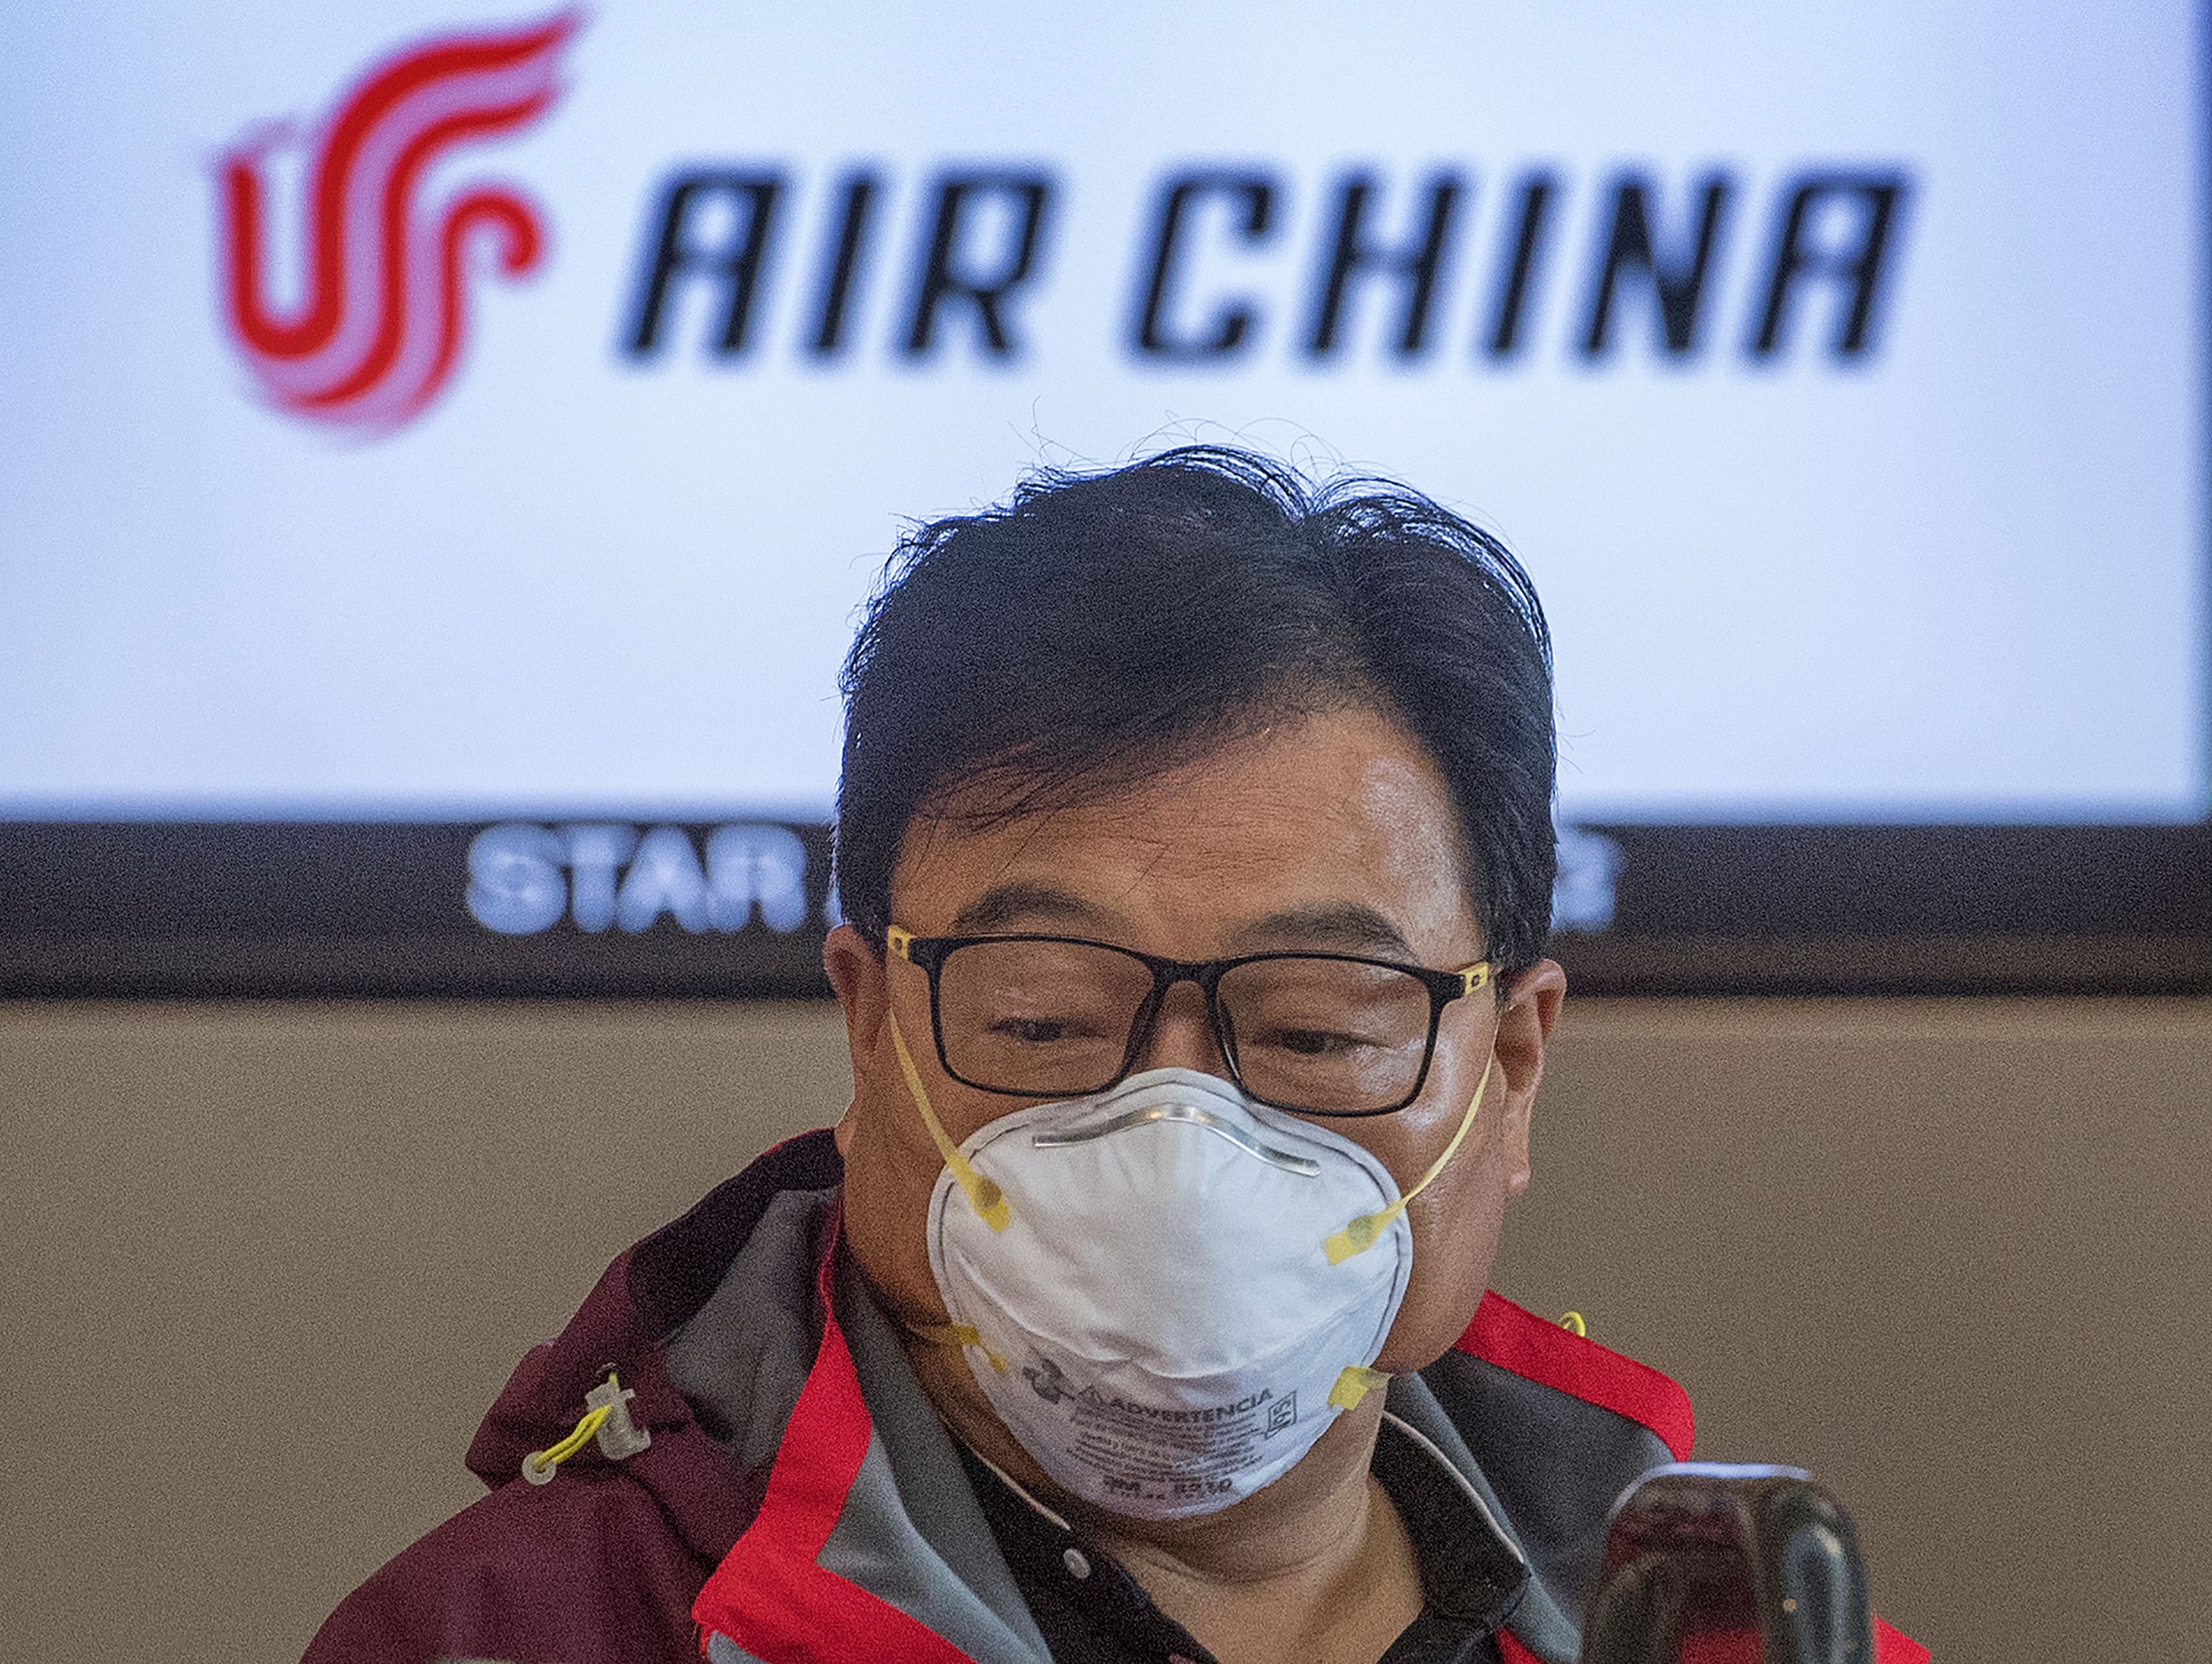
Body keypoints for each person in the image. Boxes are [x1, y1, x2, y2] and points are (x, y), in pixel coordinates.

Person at [306, 448, 1923, 1664]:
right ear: (868, 1026)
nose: (1178, 1149)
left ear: (1509, 1071)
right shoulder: (526, 1633)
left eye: (1313, 1029)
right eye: (1042, 1023)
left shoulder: (1745, 1640)